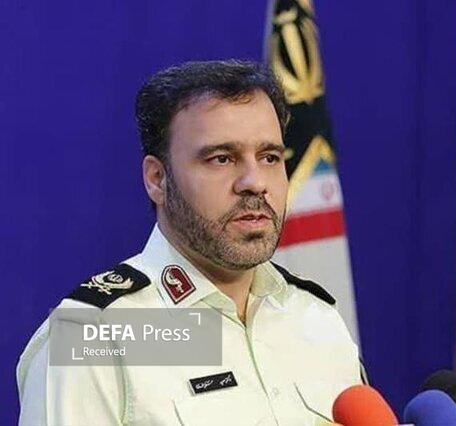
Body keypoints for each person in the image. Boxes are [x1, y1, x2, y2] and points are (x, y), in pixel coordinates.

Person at [17, 60, 362, 425]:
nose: (255, 182)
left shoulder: (315, 316)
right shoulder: (93, 337)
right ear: (157, 179)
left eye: (269, 157)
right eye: (222, 159)